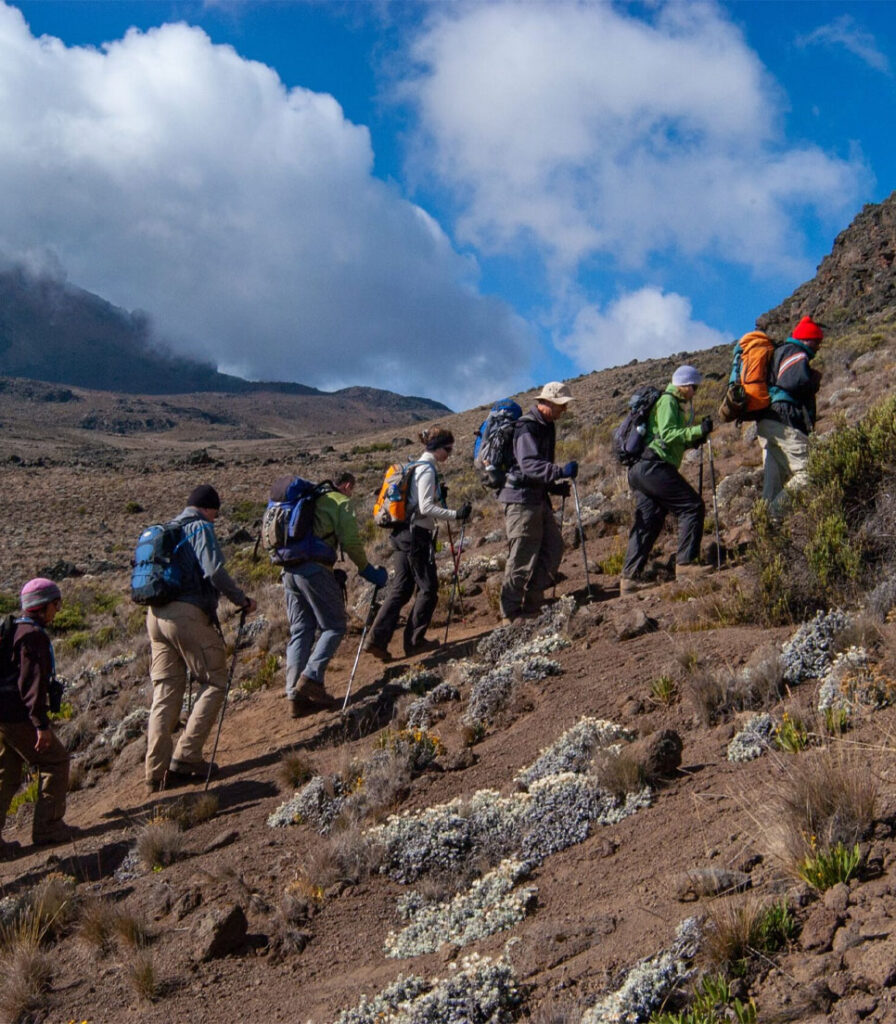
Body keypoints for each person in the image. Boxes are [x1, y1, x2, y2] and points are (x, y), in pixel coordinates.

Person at [145, 484, 256, 793]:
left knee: (165, 692)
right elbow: (214, 571)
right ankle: (187, 756)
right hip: (186, 614)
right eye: (216, 514)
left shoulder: (168, 529)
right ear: (209, 509)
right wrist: (240, 599)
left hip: (155, 616)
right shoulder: (198, 527)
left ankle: (156, 773)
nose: (215, 520)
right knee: (217, 680)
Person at [282, 471, 387, 718]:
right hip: (314, 570)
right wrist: (368, 571)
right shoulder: (340, 502)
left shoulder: (310, 499)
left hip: (288, 571)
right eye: (352, 489)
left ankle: (295, 696)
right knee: (335, 626)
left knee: (302, 629)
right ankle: (311, 678)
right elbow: (351, 542)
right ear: (347, 485)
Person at [366, 426, 472, 660]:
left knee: (402, 588)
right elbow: (425, 508)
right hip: (416, 535)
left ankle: (376, 639)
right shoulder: (427, 470)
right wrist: (456, 514)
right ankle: (414, 642)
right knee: (428, 588)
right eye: (448, 449)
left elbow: (418, 502)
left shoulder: (415, 466)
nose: (449, 454)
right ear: (437, 448)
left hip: (401, 534)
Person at [620, 365, 712, 595]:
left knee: (650, 520)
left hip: (640, 469)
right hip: (654, 467)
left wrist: (692, 440)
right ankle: (685, 564)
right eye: (694, 387)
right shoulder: (669, 400)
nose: (695, 392)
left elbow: (667, 438)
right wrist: (697, 430)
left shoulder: (668, 402)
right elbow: (670, 433)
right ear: (686, 385)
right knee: (692, 506)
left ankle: (629, 579)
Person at [0, 579, 73, 856]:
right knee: (55, 760)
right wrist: (40, 725)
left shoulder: (13, 631)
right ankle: (49, 828)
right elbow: (31, 685)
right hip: (18, 716)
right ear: (43, 606)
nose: (58, 610)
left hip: (3, 715)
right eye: (56, 604)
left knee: (6, 774)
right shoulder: (33, 636)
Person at [498, 381, 578, 623]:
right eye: (561, 406)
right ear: (547, 403)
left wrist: (553, 486)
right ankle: (510, 613)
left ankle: (534, 602)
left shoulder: (546, 426)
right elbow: (529, 464)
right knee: (522, 556)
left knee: (553, 548)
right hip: (521, 500)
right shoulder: (527, 427)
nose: (563, 411)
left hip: (537, 498)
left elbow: (533, 468)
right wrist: (559, 471)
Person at [756, 316, 823, 516]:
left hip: (767, 422)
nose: (819, 346)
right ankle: (774, 515)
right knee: (809, 472)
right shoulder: (796, 352)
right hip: (784, 420)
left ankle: (765, 528)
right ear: (807, 339)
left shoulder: (778, 352)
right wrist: (812, 380)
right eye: (817, 341)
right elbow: (793, 382)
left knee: (773, 483)